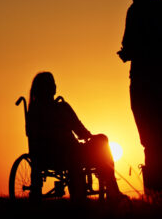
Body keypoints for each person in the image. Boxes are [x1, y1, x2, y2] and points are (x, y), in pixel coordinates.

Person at [116, 0, 162, 201]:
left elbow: (129, 45)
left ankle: (154, 195)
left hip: (144, 83)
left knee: (151, 142)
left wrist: (131, 53)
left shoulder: (135, 12)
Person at [25, 71, 125, 200]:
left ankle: (111, 188)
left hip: (69, 150)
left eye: (54, 84)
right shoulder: (41, 110)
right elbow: (34, 134)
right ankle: (99, 190)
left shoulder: (59, 107)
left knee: (102, 139)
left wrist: (92, 137)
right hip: (54, 154)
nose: (54, 87)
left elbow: (80, 130)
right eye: (51, 84)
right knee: (77, 152)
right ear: (44, 89)